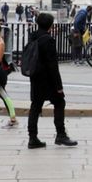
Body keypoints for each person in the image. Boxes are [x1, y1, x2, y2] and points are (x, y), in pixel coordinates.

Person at [25, 13, 77, 149]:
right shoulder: (48, 40)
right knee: (60, 102)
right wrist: (59, 86)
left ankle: (32, 138)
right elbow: (52, 65)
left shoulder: (33, 37)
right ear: (50, 25)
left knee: (35, 106)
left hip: (35, 77)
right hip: (47, 79)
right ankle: (60, 134)